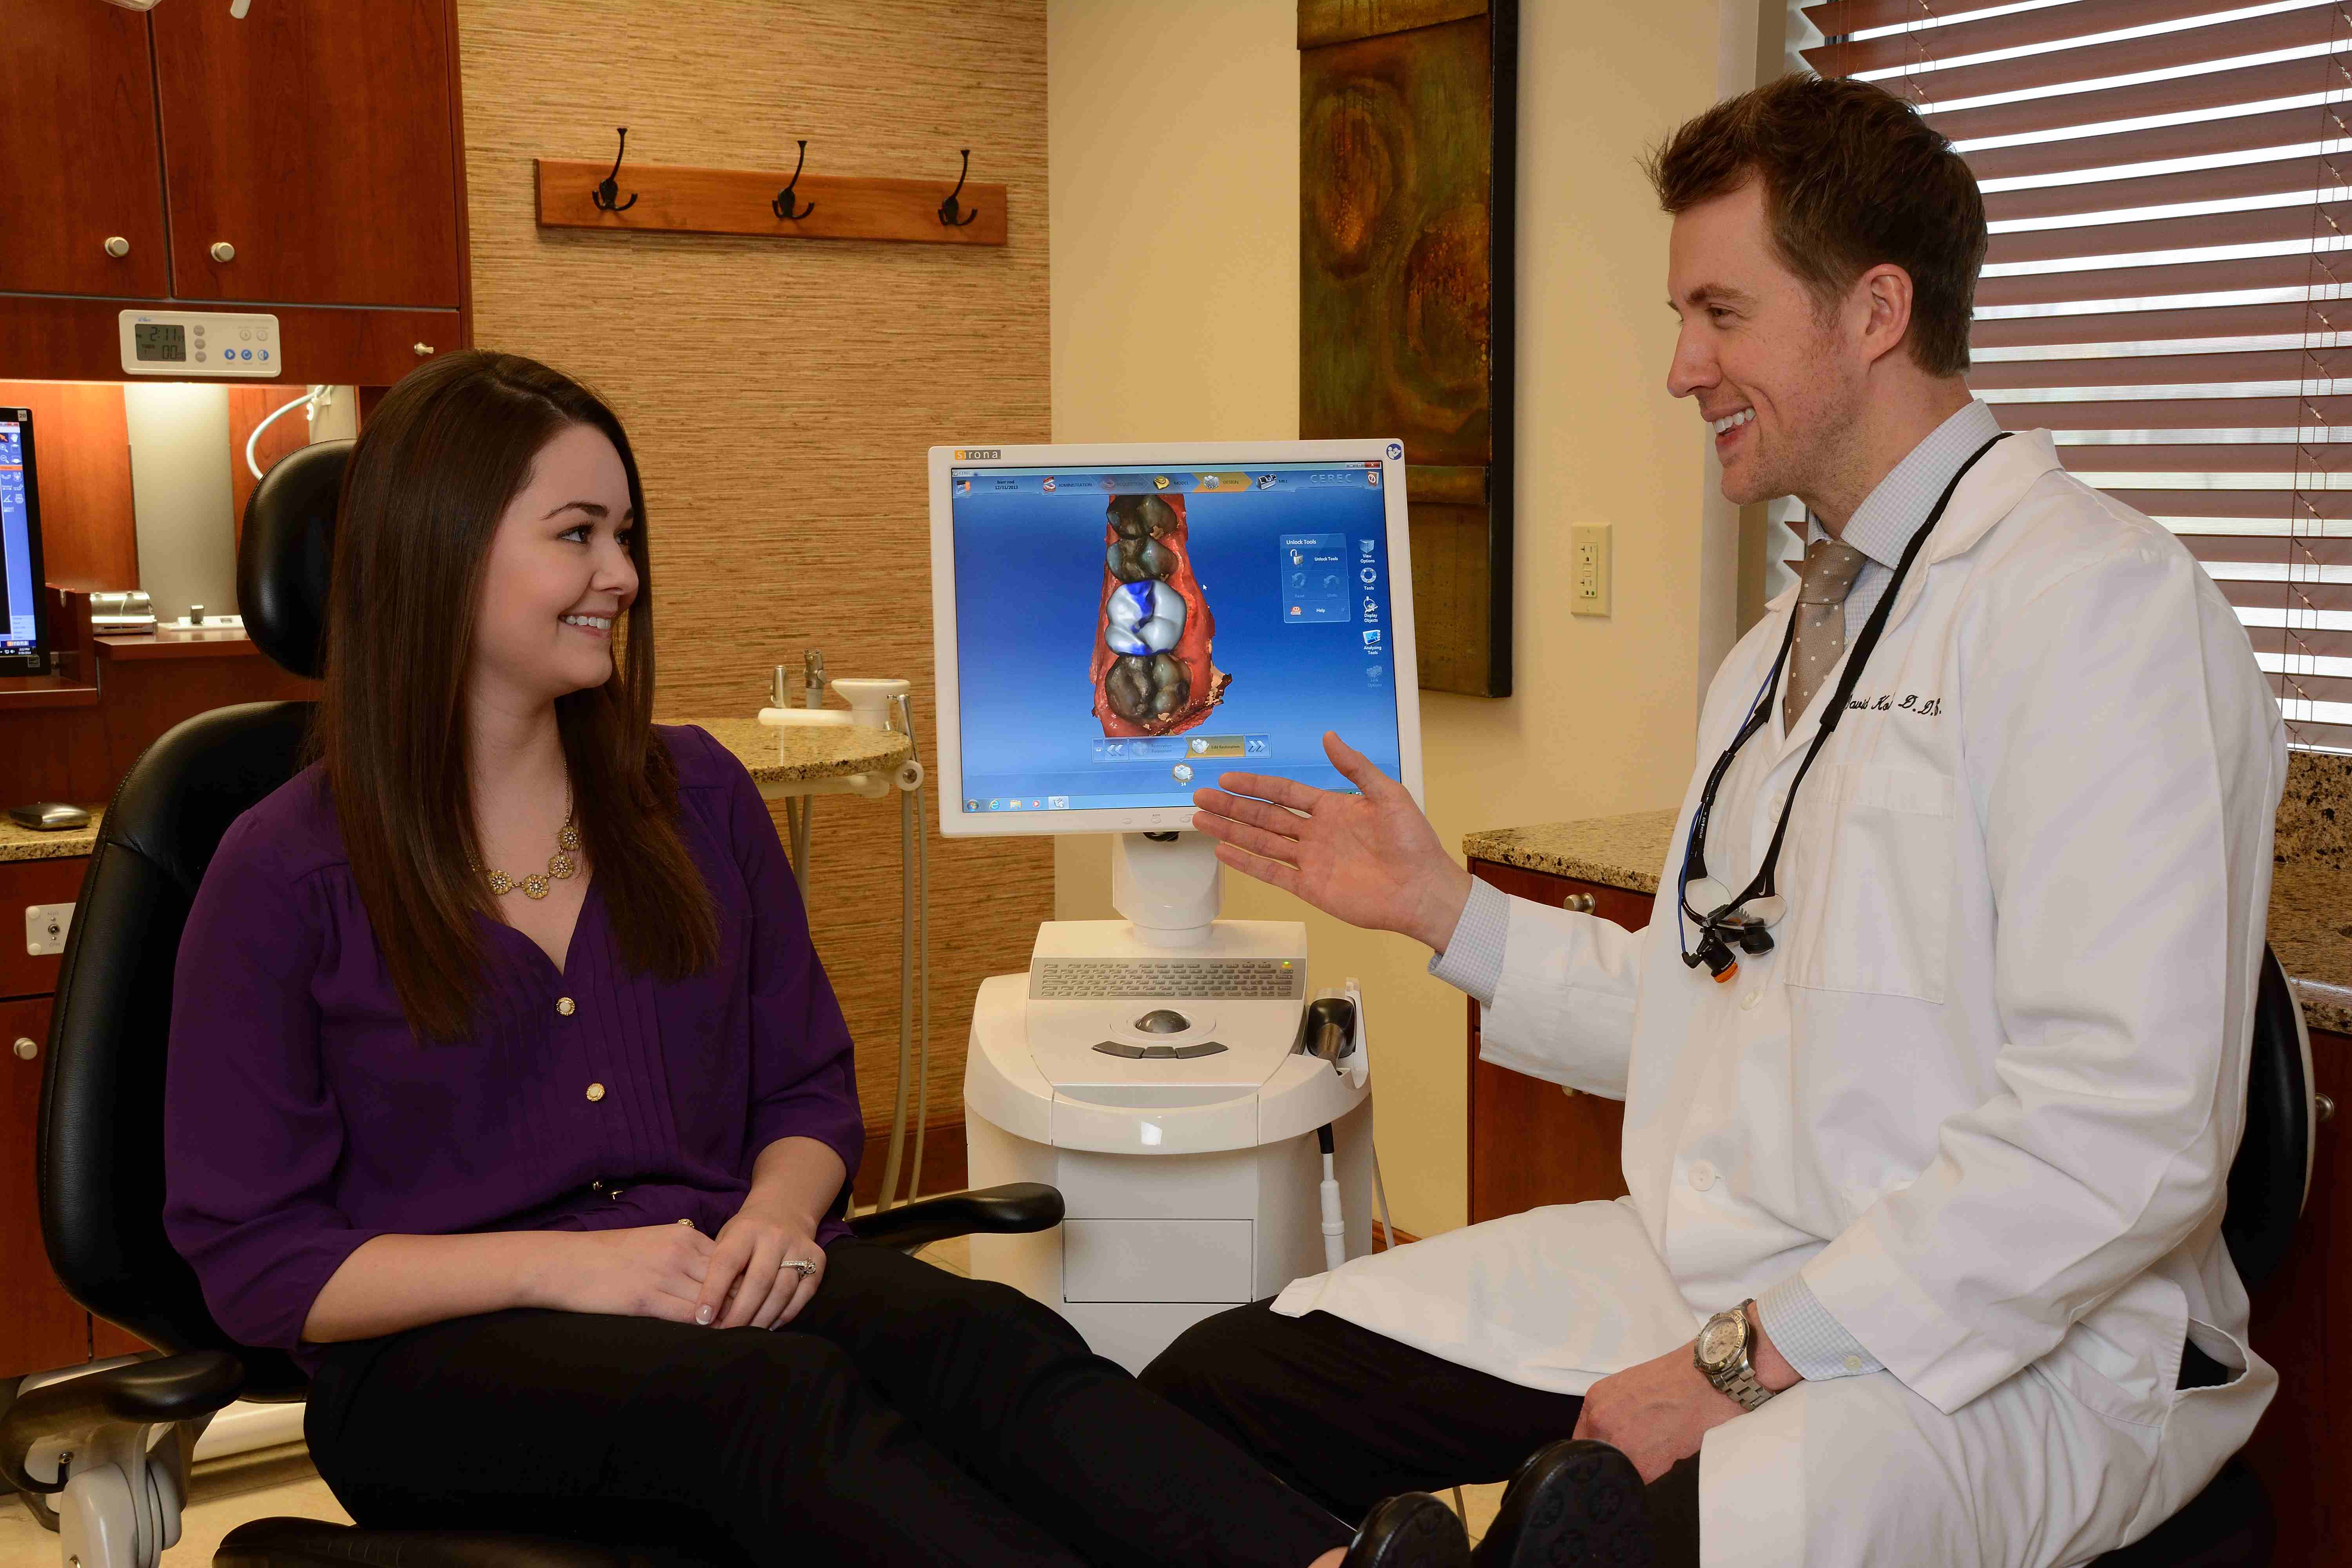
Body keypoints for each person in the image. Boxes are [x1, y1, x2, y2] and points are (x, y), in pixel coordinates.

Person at [160, 350, 1571, 1568]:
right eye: (578, 535)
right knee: (776, 1409)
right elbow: (258, 1264)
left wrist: (781, 1219)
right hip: (433, 1372)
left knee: (988, 1343)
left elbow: (807, 1093)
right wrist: (563, 1272)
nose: (624, 577)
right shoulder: (286, 871)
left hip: (720, 1271)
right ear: (442, 549)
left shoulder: (692, 797)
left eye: (626, 535)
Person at [1146, 73, 2284, 1568]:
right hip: (1721, 1267)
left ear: (1875, 311)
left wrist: (1741, 1363)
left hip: (2006, 1343)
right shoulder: (1774, 661)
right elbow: (1721, 1018)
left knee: (1627, 1544)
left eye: (1721, 313)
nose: (1682, 367)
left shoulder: (2101, 612)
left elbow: (2120, 1130)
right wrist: (1442, 909)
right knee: (1219, 1390)